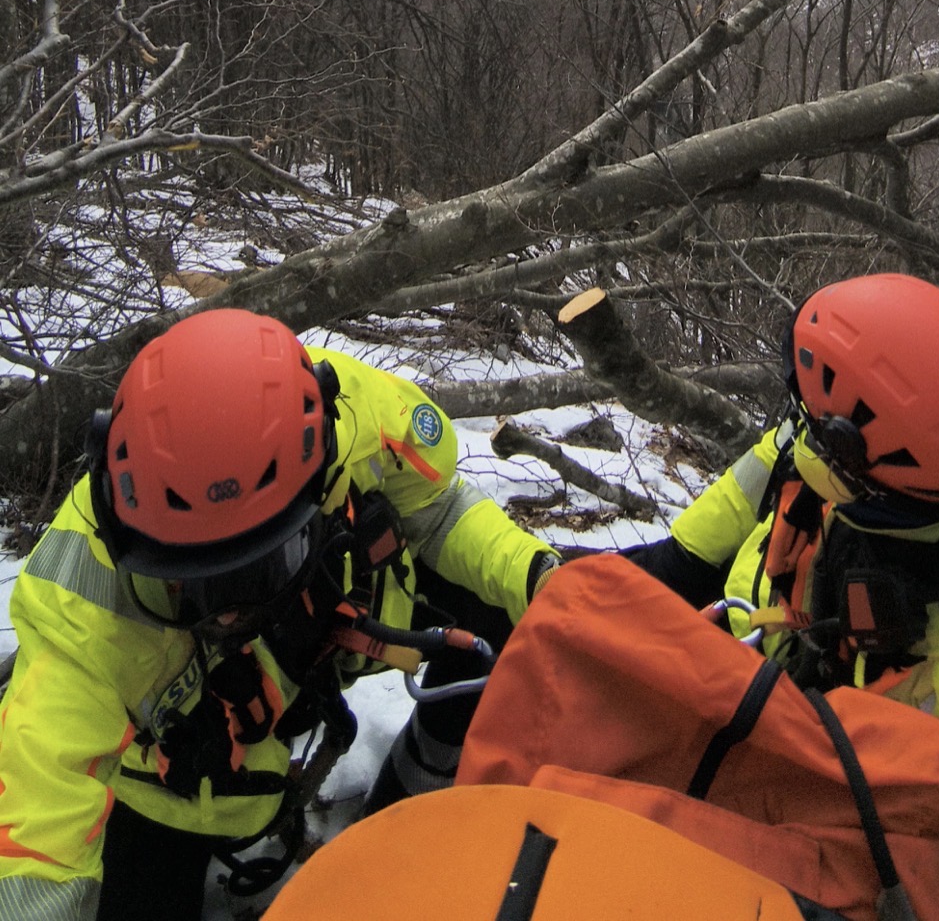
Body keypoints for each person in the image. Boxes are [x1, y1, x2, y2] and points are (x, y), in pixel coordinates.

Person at [0, 308, 561, 921]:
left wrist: (539, 577)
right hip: (172, 784)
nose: (233, 608)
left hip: (310, 647)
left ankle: (421, 785)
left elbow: (440, 514)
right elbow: (35, 835)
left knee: (502, 601)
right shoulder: (80, 616)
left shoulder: (354, 423)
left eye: (255, 570)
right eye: (201, 584)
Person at [625, 273, 939, 921]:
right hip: (762, 699)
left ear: (848, 463)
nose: (796, 436)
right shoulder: (884, 458)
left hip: (850, 818)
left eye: (812, 431)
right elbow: (710, 531)